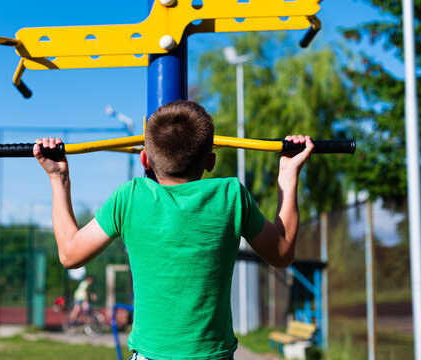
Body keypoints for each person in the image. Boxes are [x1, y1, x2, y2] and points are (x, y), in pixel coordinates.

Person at [34, 100, 314, 360]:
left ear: (145, 160)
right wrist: (288, 175)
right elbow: (282, 252)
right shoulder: (230, 196)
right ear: (210, 161)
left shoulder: (130, 197)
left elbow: (70, 254)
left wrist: (58, 178)